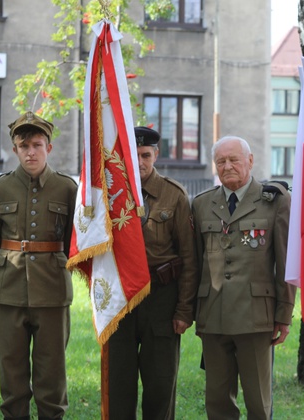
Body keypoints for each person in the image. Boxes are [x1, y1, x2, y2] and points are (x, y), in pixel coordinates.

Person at [192, 135, 296, 419]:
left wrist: (283, 316)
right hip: (213, 315)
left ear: (250, 161)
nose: (227, 166)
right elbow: (195, 262)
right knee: (217, 401)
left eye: (234, 159)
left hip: (255, 317)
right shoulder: (202, 204)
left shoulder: (275, 201)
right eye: (221, 161)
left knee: (258, 402)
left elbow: (286, 263)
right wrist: (188, 311)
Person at [0, 111, 77, 420]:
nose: (31, 152)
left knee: (52, 375)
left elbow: (71, 241)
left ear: (49, 147)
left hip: (52, 291)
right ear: (15, 150)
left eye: (37, 144)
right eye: (24, 146)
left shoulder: (67, 188)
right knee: (12, 375)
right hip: (8, 292)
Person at [106, 126, 198, 419]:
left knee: (160, 384)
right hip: (121, 298)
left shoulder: (174, 196)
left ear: (156, 155)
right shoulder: (111, 196)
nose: (140, 161)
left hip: (162, 298)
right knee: (118, 383)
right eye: (134, 155)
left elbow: (189, 258)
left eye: (146, 155)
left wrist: (184, 310)